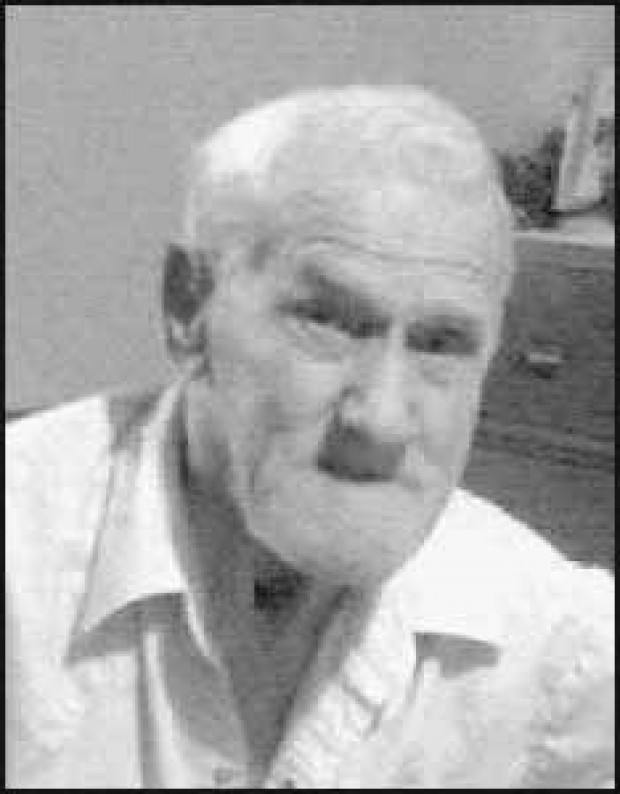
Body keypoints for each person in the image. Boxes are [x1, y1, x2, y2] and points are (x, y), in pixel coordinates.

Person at [6, 85, 614, 789]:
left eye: (442, 344)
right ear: (189, 305)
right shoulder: (23, 569)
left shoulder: (557, 653)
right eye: (328, 322)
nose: (381, 419)